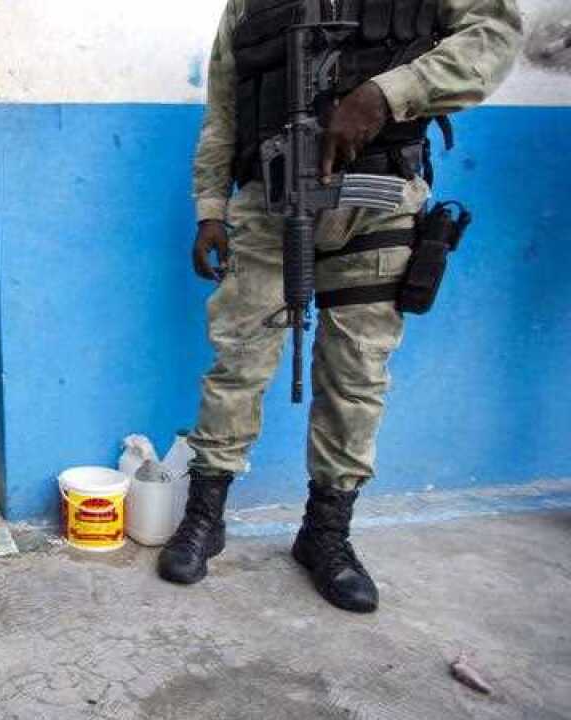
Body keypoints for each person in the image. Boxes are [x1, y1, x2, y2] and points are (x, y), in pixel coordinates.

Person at [162, 0, 521, 613]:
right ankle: (205, 517)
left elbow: (494, 37)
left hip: (377, 200)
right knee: (237, 363)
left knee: (356, 377)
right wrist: (209, 210)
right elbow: (222, 110)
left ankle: (326, 535)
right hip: (270, 201)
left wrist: (388, 94)